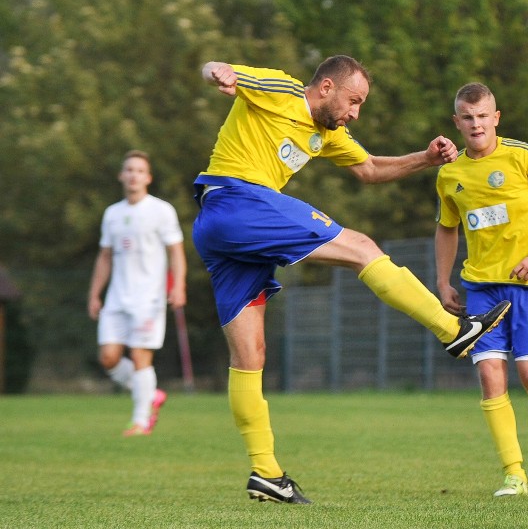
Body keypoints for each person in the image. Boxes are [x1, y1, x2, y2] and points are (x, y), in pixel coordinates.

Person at [193, 57, 511, 505]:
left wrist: (425, 158)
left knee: (250, 355)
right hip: (237, 199)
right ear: (326, 86)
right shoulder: (281, 89)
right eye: (354, 100)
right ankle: (454, 330)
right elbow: (215, 67)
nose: (356, 113)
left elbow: (369, 170)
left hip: (219, 228)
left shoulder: (328, 135)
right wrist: (220, 74)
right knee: (362, 247)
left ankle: (266, 472)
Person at [434, 83, 528, 497]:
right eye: (467, 117)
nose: (475, 124)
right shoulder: (450, 173)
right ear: (457, 122)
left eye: (483, 116)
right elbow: (446, 227)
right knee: (491, 377)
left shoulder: (523, 155)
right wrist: (443, 282)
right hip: (481, 288)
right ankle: (513, 473)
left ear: (496, 118)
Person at [87, 150, 187, 437]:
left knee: (141, 356)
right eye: (129, 170)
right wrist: (95, 294)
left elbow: (176, 251)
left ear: (148, 178)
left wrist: (178, 285)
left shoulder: (161, 210)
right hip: (117, 297)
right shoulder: (112, 213)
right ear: (121, 175)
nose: (133, 175)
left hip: (149, 298)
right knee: (108, 358)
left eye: (139, 171)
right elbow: (105, 257)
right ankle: (152, 393)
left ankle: (141, 422)